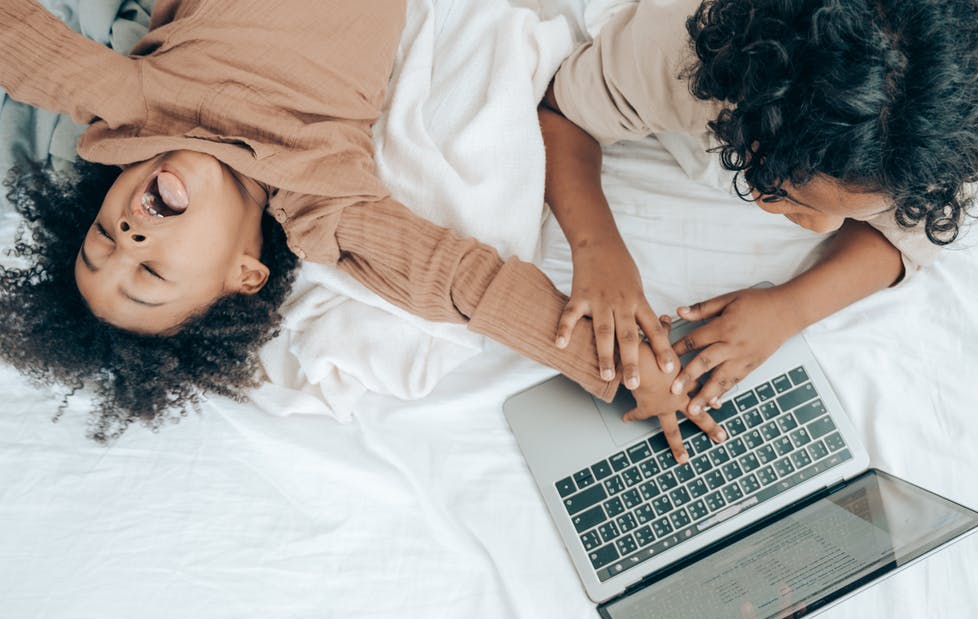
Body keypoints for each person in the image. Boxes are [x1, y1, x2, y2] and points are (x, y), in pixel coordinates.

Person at [0, 0, 697, 442]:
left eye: (101, 241)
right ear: (245, 274)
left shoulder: (132, 105)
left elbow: (24, 47)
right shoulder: (322, 202)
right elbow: (461, 284)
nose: (128, 236)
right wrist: (624, 367)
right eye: (149, 270)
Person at [540, 0, 978, 462]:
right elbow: (562, 112)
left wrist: (790, 309)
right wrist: (597, 250)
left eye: (855, 212)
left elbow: (911, 236)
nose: (825, 228)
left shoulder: (930, 127)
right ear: (751, 129)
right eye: (799, 199)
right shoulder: (669, 50)